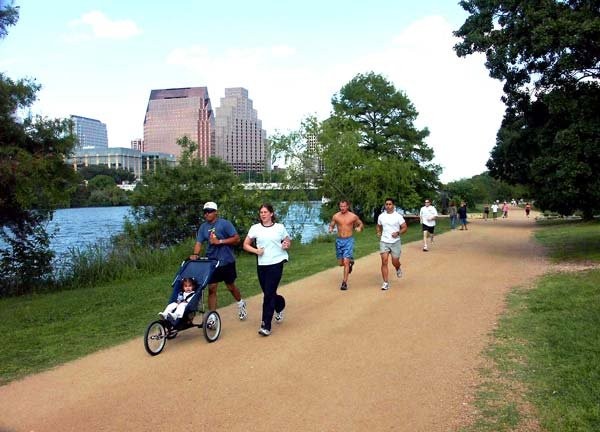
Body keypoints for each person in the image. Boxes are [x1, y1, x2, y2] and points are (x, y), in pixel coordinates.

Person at [190, 201, 247, 321]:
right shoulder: (203, 227)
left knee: (230, 286)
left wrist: (220, 242)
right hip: (212, 262)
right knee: (212, 288)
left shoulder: (225, 224)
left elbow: (236, 239)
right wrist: (195, 254)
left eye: (209, 211)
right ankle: (212, 317)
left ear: (216, 212)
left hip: (227, 261)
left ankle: (241, 303)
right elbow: (199, 242)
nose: (207, 214)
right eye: (205, 212)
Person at [243, 203, 291, 337]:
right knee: (268, 292)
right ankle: (280, 305)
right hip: (262, 264)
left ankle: (266, 325)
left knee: (268, 294)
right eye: (261, 212)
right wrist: (256, 251)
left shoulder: (279, 227)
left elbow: (287, 240)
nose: (263, 214)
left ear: (271, 214)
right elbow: (245, 244)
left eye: (265, 212)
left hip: (277, 261)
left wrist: (286, 244)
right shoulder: (255, 228)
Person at [329, 200, 364, 290]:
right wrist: (330, 228)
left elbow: (360, 224)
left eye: (344, 206)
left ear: (347, 206)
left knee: (345, 261)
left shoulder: (353, 216)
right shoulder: (336, 216)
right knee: (341, 263)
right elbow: (332, 225)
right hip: (339, 240)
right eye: (341, 206)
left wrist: (359, 228)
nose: (342, 208)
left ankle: (344, 283)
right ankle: (350, 263)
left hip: (348, 240)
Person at [376, 198, 408, 290]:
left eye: (390, 204)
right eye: (386, 204)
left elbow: (405, 227)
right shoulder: (381, 216)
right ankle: (385, 283)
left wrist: (398, 233)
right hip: (384, 241)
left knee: (395, 262)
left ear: (393, 205)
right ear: (385, 205)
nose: (388, 206)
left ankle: (398, 268)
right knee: (384, 261)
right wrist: (378, 232)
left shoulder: (398, 216)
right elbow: (378, 226)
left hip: (395, 242)